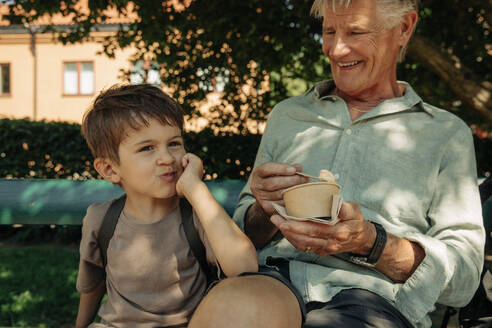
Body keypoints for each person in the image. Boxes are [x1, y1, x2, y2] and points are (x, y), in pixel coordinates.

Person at [229, 0, 486, 327]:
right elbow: (238, 237)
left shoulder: (447, 134)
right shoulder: (287, 116)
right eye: (329, 31)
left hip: (373, 299)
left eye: (356, 31)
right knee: (227, 311)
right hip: (270, 279)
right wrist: (262, 211)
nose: (336, 50)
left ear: (404, 28)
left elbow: (463, 279)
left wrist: (371, 243)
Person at [74, 83, 260, 328]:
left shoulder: (196, 215)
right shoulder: (101, 219)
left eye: (173, 143)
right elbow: (93, 286)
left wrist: (195, 187)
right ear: (110, 169)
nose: (167, 158)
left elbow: (244, 267)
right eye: (147, 148)